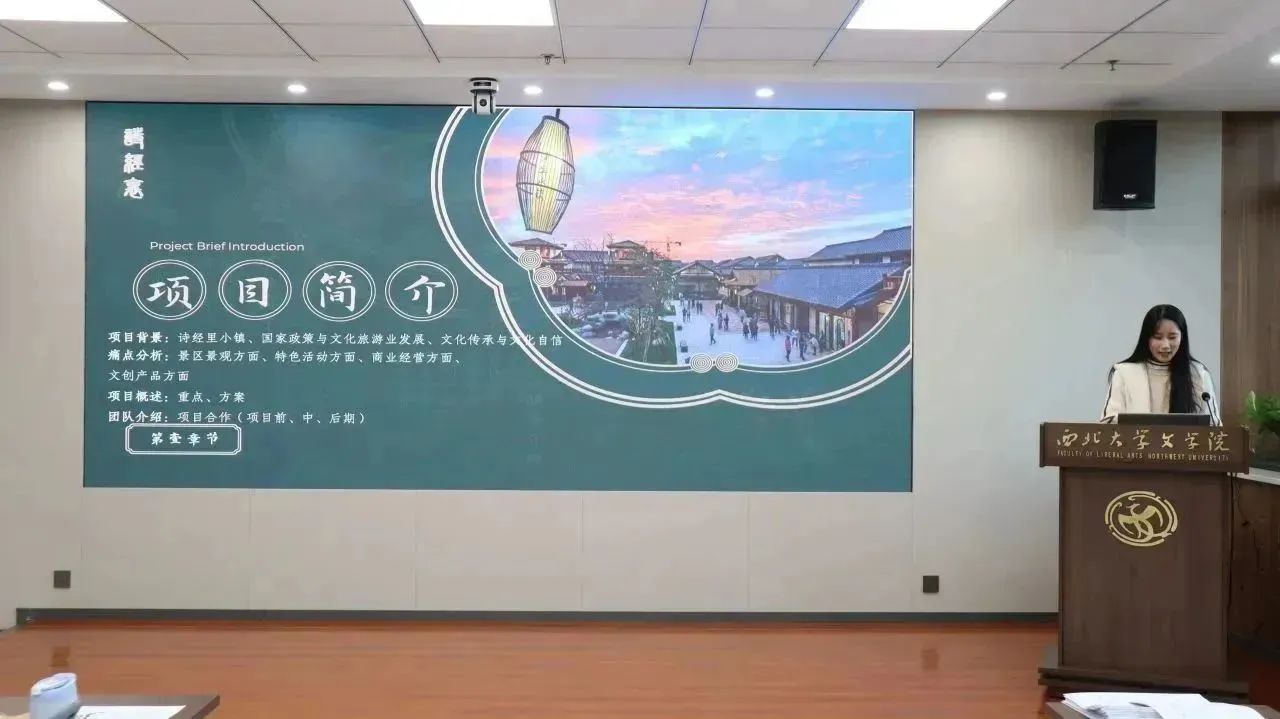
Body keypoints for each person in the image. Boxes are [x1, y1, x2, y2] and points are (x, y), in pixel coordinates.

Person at [1100, 304, 1220, 424]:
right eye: (1158, 337)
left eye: (1172, 337)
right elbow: (1108, 423)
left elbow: (1214, 425)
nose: (1165, 345)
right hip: (1136, 437)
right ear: (1146, 338)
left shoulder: (1198, 374)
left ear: (1182, 338)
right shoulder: (1124, 373)